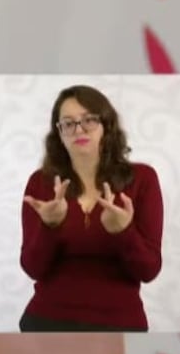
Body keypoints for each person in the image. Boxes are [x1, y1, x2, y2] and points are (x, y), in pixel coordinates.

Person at [19, 84, 163, 332]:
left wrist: (123, 232)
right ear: (59, 134)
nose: (79, 130)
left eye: (89, 120)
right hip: (46, 320)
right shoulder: (41, 183)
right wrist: (50, 227)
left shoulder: (142, 179)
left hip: (119, 324)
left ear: (106, 126)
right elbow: (33, 268)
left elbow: (148, 270)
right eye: (68, 123)